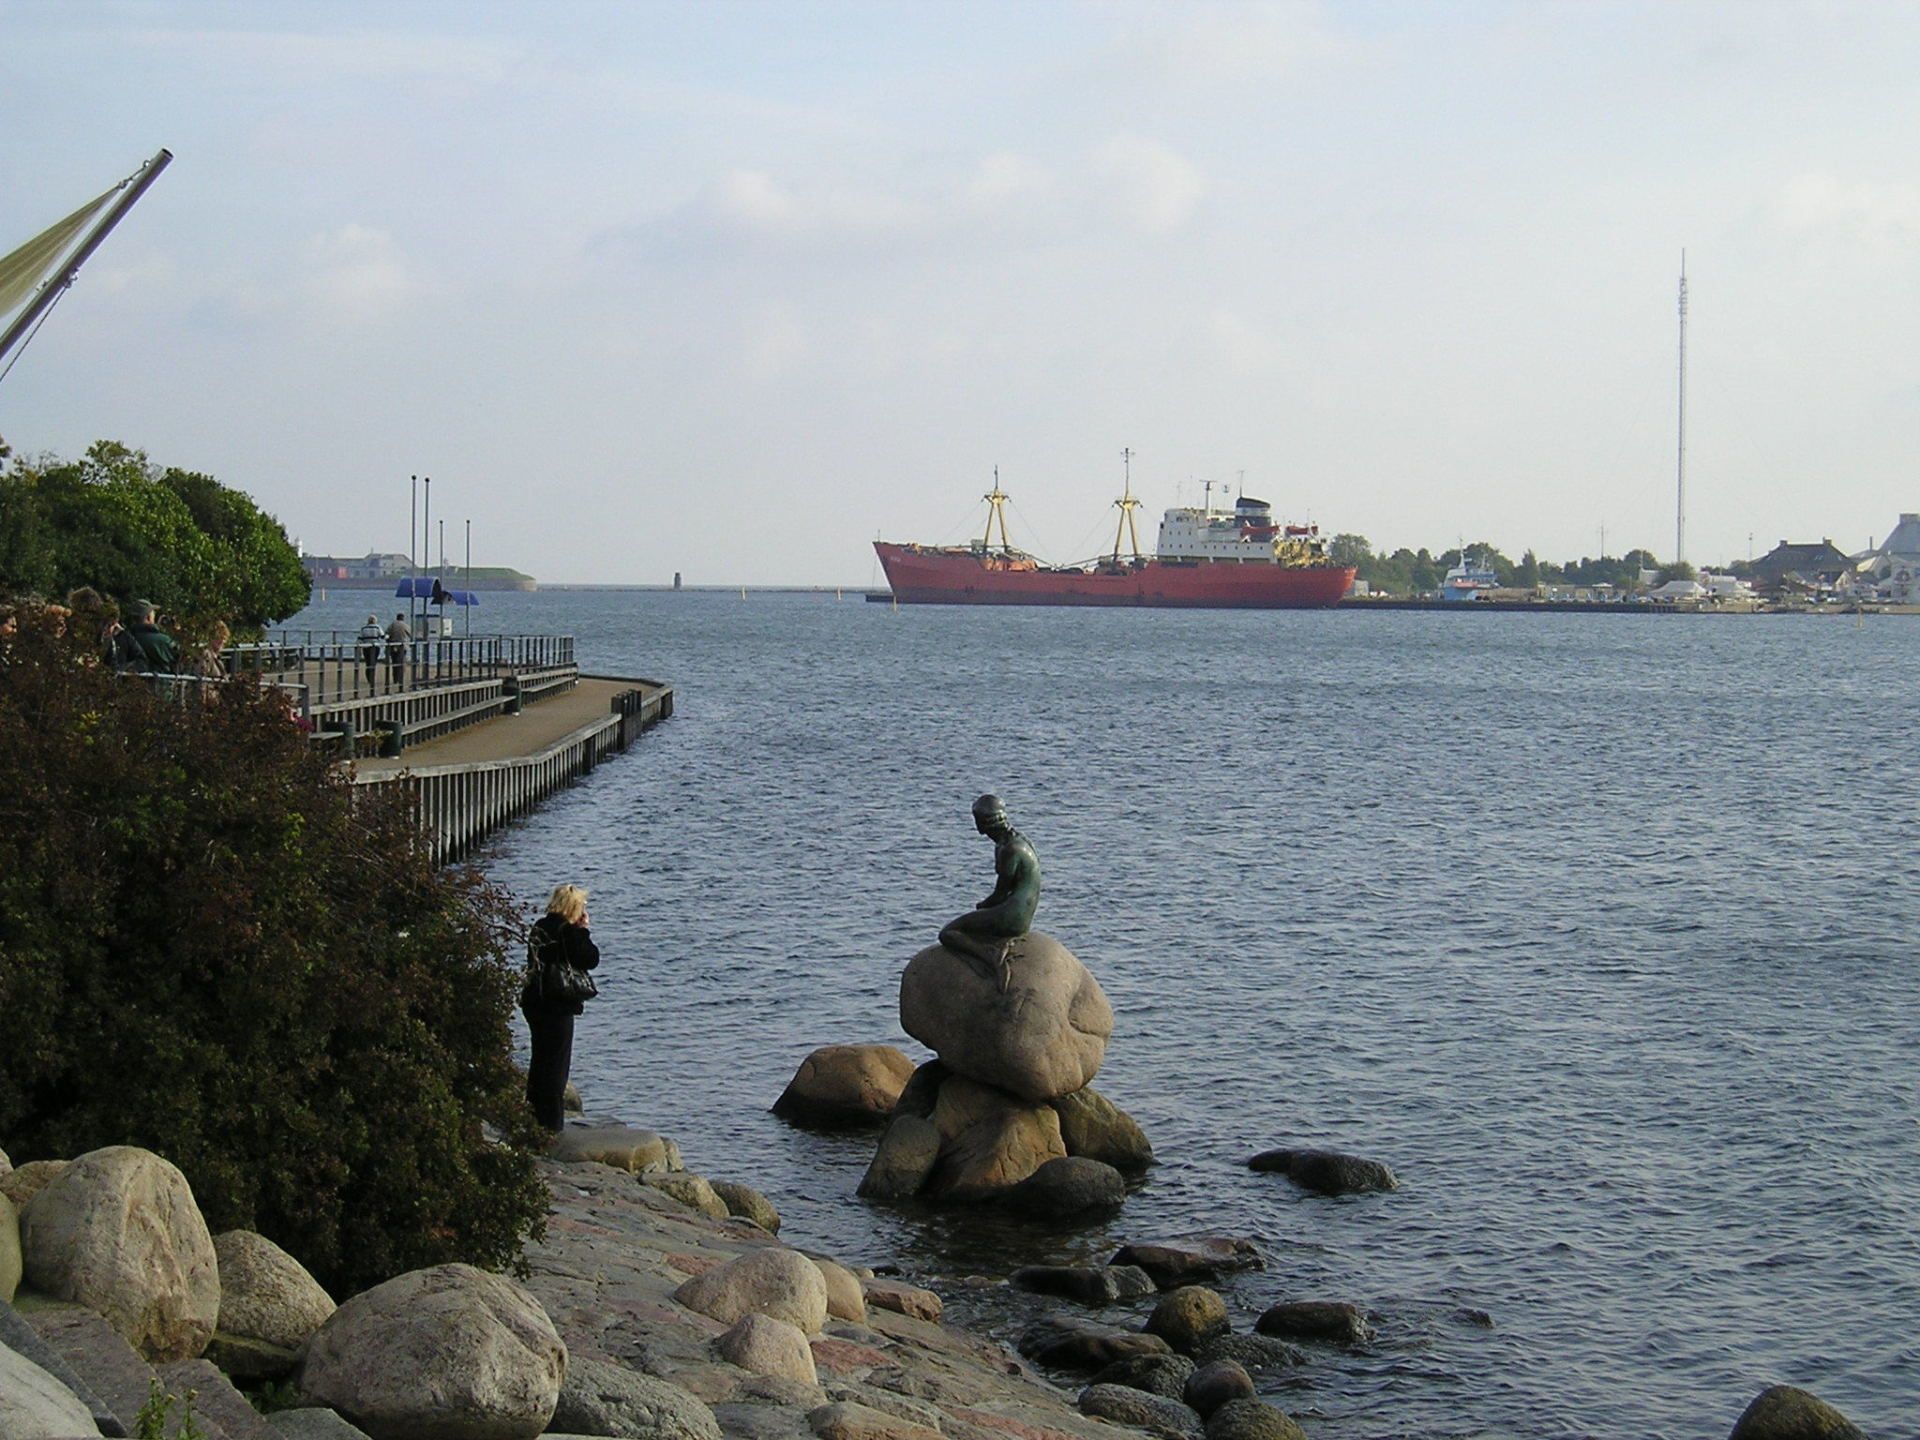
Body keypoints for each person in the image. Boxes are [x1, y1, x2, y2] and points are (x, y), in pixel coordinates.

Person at [939, 793, 1042, 990]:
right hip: (1021, 910)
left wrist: (982, 907)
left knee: (949, 933)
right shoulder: (1018, 840)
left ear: (983, 823)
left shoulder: (1009, 850)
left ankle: (990, 956)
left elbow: (1001, 894)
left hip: (1013, 916)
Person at [520, 883, 600, 1133]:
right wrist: (583, 931)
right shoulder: (569, 932)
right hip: (557, 1004)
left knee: (540, 1060)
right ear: (574, 908)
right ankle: (551, 1125)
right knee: (556, 1066)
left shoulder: (540, 927)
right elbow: (590, 958)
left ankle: (532, 1116)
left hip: (534, 1002)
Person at [122, 600, 180, 674]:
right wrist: (177, 633)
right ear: (148, 617)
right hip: (159, 683)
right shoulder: (163, 640)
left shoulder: (127, 637)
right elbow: (180, 655)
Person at [356, 613, 383, 689]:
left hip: (366, 647)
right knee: (373, 662)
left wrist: (359, 648)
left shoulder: (364, 628)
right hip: (375, 647)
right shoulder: (377, 627)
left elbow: (360, 638)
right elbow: (382, 636)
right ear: (375, 621)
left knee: (368, 663)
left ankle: (369, 678)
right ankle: (372, 678)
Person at [384, 611, 411, 687]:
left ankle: (395, 678)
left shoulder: (392, 625)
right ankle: (400, 678)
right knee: (401, 662)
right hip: (403, 646)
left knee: (394, 662)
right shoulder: (405, 625)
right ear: (403, 618)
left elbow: (386, 633)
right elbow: (411, 634)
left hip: (393, 646)